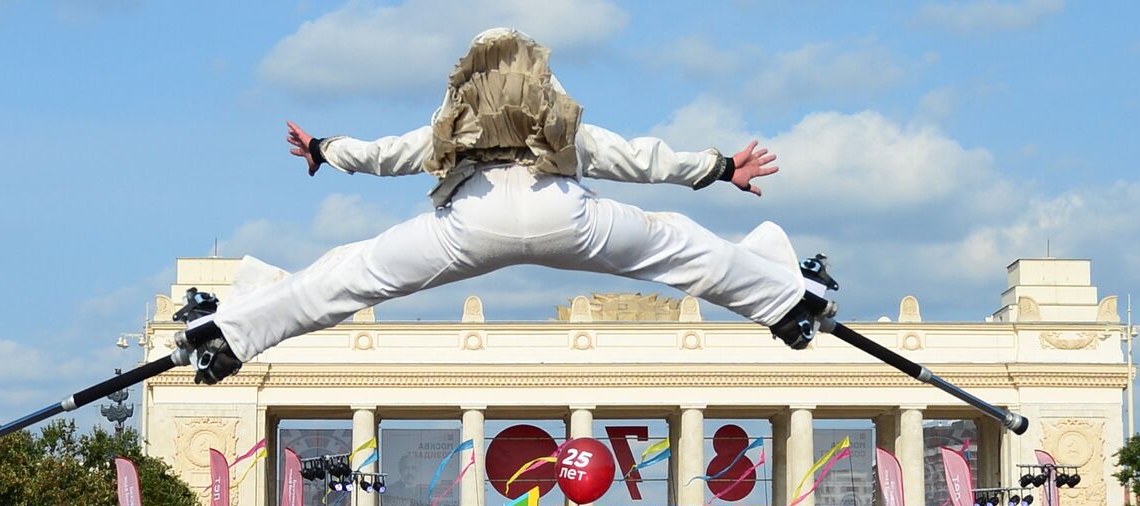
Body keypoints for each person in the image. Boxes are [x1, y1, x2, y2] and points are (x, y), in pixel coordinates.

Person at [189, 28, 829, 390]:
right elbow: (642, 159)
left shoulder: (452, 127)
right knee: (679, 245)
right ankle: (783, 302)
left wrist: (324, 149)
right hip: (564, 214)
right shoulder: (562, 128)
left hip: (473, 223)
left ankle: (234, 334)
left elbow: (383, 155)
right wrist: (720, 167)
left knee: (350, 272)